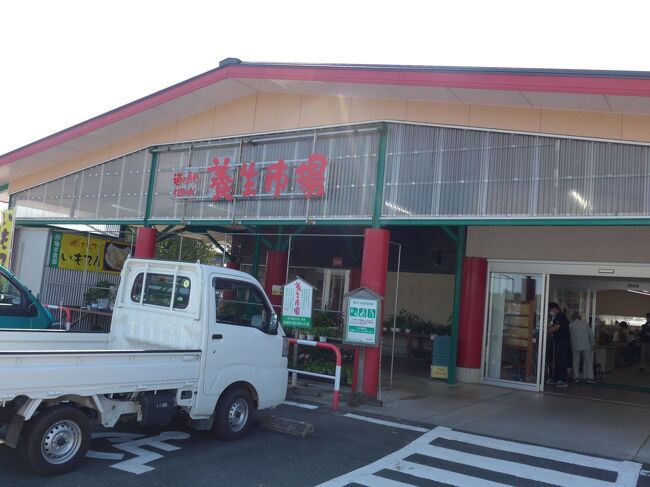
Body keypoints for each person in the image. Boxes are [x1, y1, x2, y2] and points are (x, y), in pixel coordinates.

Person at [548, 302, 571, 387]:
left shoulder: (560, 316)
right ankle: (557, 379)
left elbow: (556, 327)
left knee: (561, 360)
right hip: (559, 341)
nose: (550, 311)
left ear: (554, 308)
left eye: (551, 310)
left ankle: (563, 380)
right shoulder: (557, 316)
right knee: (557, 360)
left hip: (563, 342)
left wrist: (546, 331)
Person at [569, 311, 595, 383]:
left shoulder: (571, 325)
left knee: (576, 362)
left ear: (572, 318)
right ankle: (590, 378)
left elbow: (569, 337)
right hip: (586, 346)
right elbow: (591, 335)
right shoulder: (585, 324)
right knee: (588, 362)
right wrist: (593, 344)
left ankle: (576, 377)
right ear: (579, 318)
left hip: (575, 346)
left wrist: (570, 345)